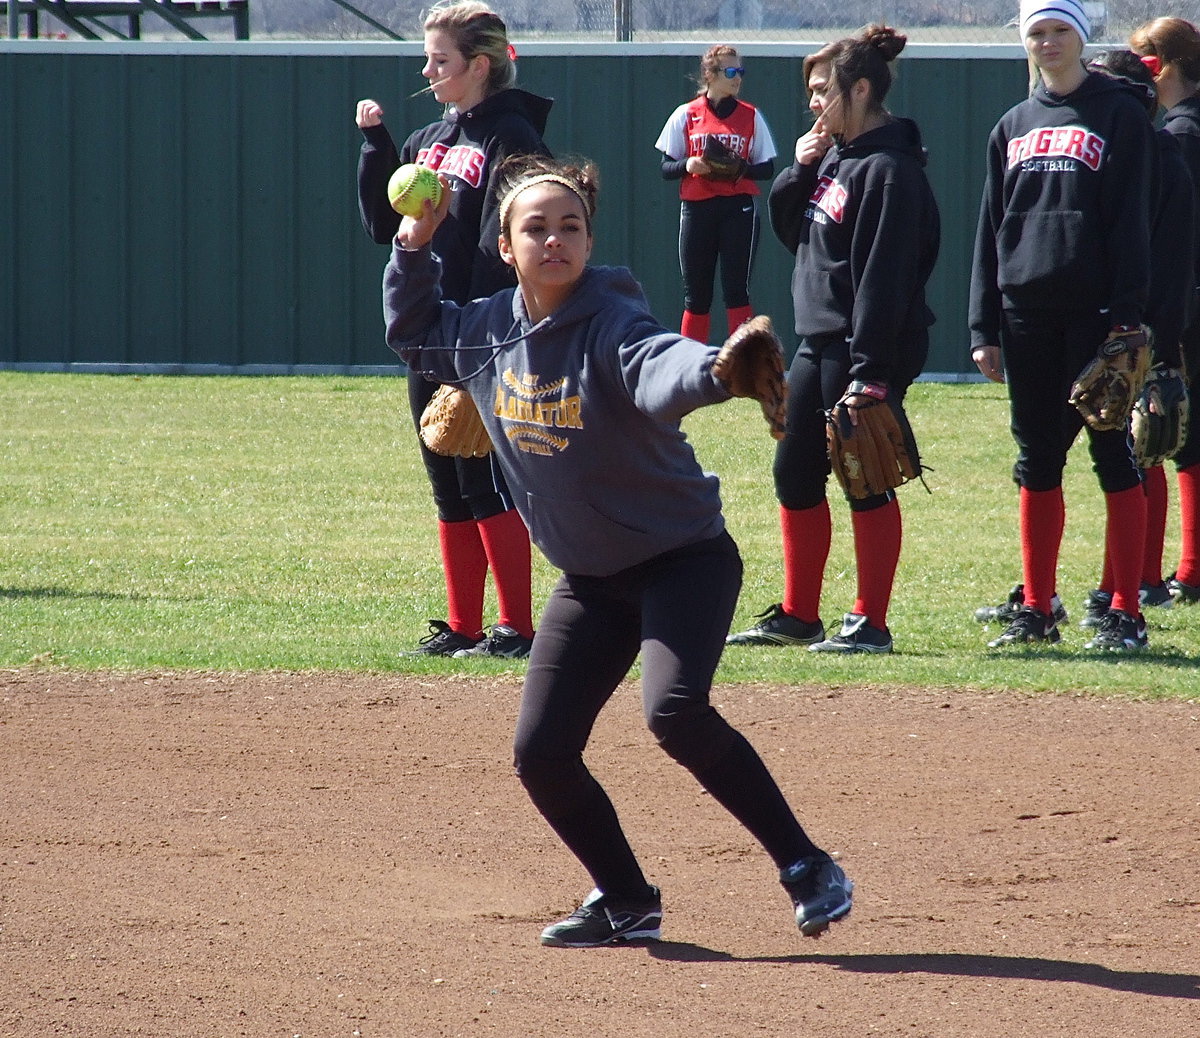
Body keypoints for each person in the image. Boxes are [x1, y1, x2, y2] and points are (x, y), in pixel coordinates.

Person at [383, 154, 854, 947]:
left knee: (673, 712)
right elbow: (414, 334)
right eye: (536, 228)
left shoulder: (611, 319)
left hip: (683, 559)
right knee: (541, 754)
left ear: (589, 241)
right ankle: (626, 897)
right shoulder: (487, 331)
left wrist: (716, 372)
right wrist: (413, 246)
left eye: (571, 227)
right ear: (506, 246)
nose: (555, 239)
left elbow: (654, 368)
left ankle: (808, 865)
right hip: (592, 581)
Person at [726, 24, 940, 654]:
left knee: (863, 469)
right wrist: (799, 166)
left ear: (862, 88)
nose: (814, 101)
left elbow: (885, 278)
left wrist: (871, 373)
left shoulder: (891, 172)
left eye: (825, 90)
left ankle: (870, 622)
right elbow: (797, 234)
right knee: (794, 474)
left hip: (866, 344)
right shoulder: (838, 159)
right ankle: (799, 614)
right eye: (811, 92)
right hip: (819, 339)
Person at [355, 0, 551, 658]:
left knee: (487, 480)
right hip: (429, 332)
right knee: (446, 479)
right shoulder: (429, 142)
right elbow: (386, 229)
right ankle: (464, 625)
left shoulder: (512, 137)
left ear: (481, 65)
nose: (428, 69)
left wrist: (493, 338)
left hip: (484, 334)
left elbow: (522, 238)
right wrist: (377, 151)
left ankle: (516, 627)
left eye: (441, 60)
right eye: (429, 58)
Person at [969, 0, 1158, 652]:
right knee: (1038, 459)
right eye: (1036, 32)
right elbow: (991, 230)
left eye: (1058, 31)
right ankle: (1038, 608)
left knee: (1113, 454)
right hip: (1025, 313)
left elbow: (1131, 221)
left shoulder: (1121, 113)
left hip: (1096, 314)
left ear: (1081, 36)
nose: (1047, 42)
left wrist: (1126, 316)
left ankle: (1125, 611)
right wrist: (982, 326)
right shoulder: (1012, 124)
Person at [1076, 50, 1194, 626]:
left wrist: (1163, 347)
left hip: (1142, 331)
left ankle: (1135, 581)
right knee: (1130, 453)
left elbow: (1170, 264)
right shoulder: (1112, 156)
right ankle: (1126, 580)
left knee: (1141, 448)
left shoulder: (1162, 155)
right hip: (1098, 325)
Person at [1130, 16, 1200, 606]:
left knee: (1155, 431)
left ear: (1163, 68)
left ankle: (1152, 574)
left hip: (1180, 302)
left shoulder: (1176, 137)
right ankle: (1189, 568)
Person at [653, 45, 777, 343]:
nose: (737, 78)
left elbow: (767, 167)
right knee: (696, 295)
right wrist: (689, 164)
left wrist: (736, 168)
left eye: (740, 72)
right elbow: (666, 168)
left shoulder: (750, 116)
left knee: (737, 291)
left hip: (738, 208)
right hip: (697, 209)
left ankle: (743, 365)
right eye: (730, 72)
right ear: (709, 75)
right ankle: (691, 364)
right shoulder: (687, 114)